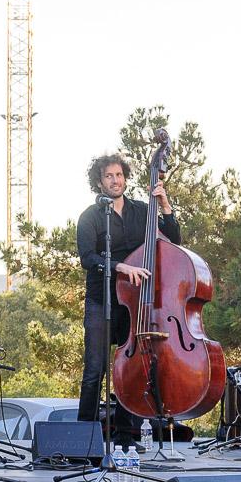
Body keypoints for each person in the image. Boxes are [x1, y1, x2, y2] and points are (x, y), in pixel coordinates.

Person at [76, 152, 181, 447]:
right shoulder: (90, 216)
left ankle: (127, 435)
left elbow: (174, 240)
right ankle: (85, 437)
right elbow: (87, 257)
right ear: (99, 181)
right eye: (109, 176)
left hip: (135, 303)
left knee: (130, 368)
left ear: (126, 178)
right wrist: (120, 267)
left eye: (119, 175)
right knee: (95, 369)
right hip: (101, 299)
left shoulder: (142, 211)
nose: (115, 180)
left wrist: (164, 204)